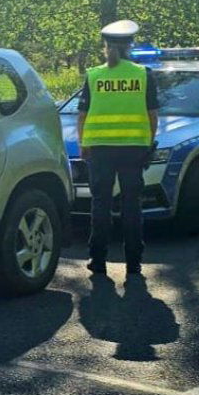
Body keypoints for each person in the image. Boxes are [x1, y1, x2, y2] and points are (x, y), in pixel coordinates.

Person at [77, 20, 159, 276]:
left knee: (100, 204)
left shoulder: (94, 75)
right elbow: (152, 114)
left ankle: (98, 260)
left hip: (100, 149)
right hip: (134, 149)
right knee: (131, 205)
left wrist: (83, 144)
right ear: (130, 46)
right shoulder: (143, 74)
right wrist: (148, 142)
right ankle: (133, 263)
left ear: (106, 47)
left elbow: (82, 115)